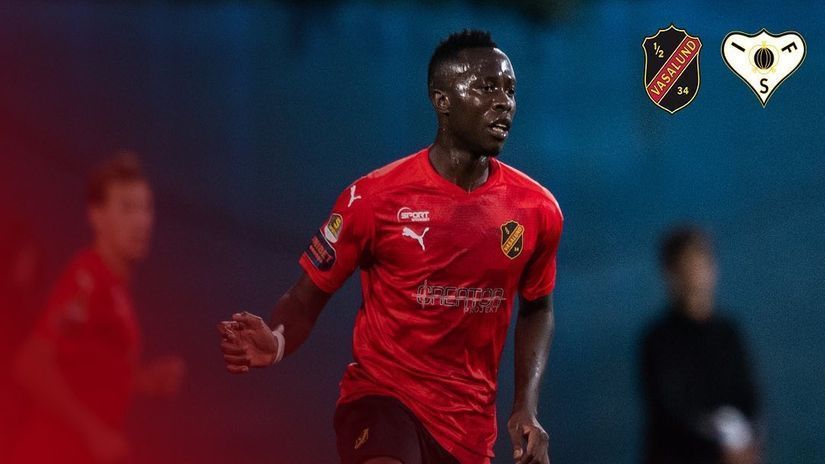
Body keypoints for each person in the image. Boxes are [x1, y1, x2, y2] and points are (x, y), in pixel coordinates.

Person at [217, 29, 563, 464]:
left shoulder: (537, 210)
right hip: (381, 400)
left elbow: (537, 307)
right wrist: (277, 340)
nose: (503, 102)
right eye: (487, 87)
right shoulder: (372, 199)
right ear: (442, 100)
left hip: (468, 433)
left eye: (510, 90)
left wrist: (525, 408)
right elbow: (306, 298)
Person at [10, 152, 185, 464]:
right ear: (96, 215)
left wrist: (144, 381)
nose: (141, 221)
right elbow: (31, 364)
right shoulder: (87, 279)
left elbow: (87, 370)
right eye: (127, 207)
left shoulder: (113, 285)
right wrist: (94, 432)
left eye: (145, 207)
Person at [640, 226, 761, 464]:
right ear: (669, 273)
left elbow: (752, 400)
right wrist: (717, 446)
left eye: (699, 263)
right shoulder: (658, 341)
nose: (694, 274)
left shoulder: (729, 334)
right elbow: (670, 412)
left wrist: (748, 444)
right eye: (685, 266)